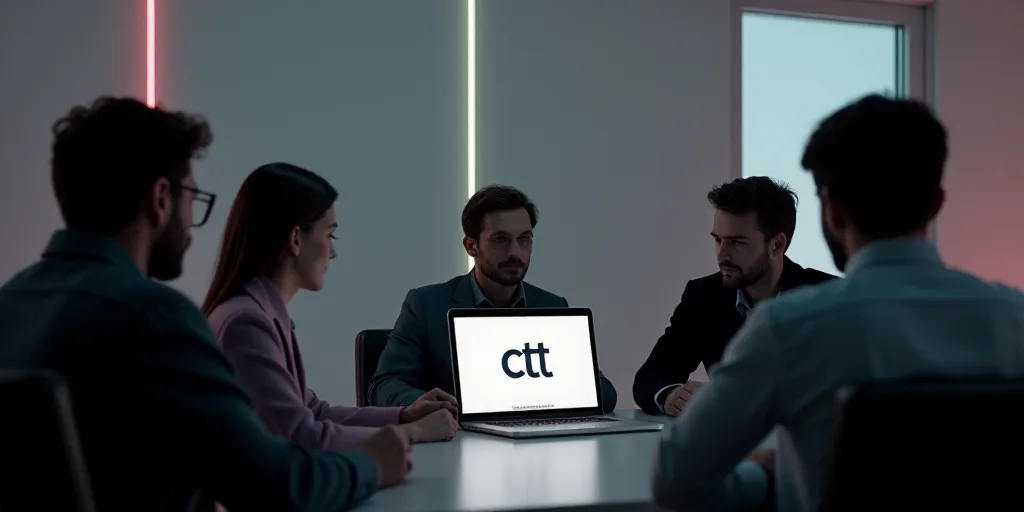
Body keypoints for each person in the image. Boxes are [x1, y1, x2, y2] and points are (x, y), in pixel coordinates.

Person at [0, 97, 411, 511]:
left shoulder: (10, 303)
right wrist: (370, 465)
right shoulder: (154, 318)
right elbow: (274, 484)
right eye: (192, 199)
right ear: (161, 199)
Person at [651, 94, 1024, 512]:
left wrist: (763, 477)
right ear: (937, 203)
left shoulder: (789, 328)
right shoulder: (1015, 318)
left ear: (832, 208)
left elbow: (674, 483)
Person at [203, 162, 458, 451]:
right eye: (329, 235)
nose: (333, 252)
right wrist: (412, 433)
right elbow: (301, 437)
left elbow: (315, 412)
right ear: (296, 239)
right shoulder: (246, 323)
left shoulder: (261, 313)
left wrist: (404, 415)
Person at [368, 185, 618, 412]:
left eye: (524, 239)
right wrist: (434, 405)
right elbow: (384, 386)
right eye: (501, 240)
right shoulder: (426, 304)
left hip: (539, 444)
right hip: (459, 443)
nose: (515, 253)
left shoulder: (552, 306)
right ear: (470, 246)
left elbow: (604, 393)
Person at [633, 177, 835, 416]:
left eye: (736, 243)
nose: (722, 255)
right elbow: (649, 379)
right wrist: (670, 396)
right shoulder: (704, 296)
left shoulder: (828, 297)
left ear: (777, 245)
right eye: (717, 240)